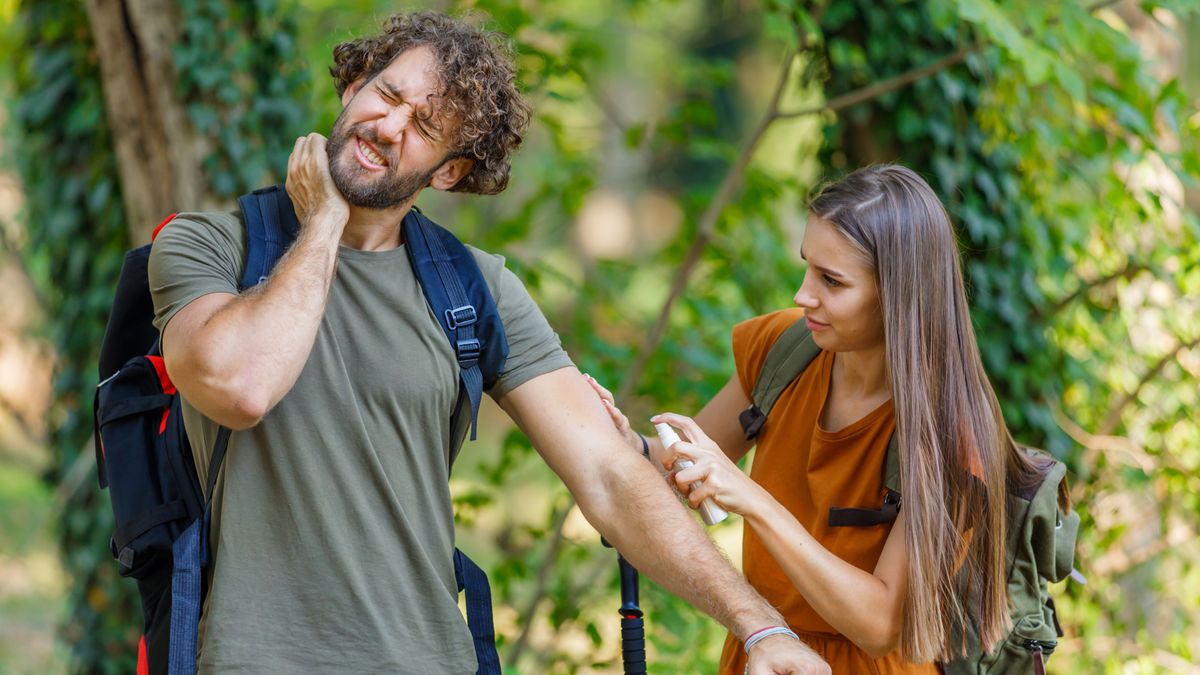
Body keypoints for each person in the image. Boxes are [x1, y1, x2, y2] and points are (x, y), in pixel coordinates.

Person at [147, 10, 829, 675]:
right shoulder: (212, 245)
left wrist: (760, 623)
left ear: (448, 171)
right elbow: (239, 385)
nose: (388, 126)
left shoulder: (474, 288)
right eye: (386, 94)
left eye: (424, 126)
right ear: (353, 86)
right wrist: (325, 223)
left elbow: (610, 474)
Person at [590, 164, 1058, 674]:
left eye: (832, 281)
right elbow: (674, 470)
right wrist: (629, 443)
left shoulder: (950, 434)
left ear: (896, 298)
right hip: (761, 649)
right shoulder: (785, 350)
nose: (803, 295)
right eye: (807, 267)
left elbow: (881, 626)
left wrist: (754, 502)